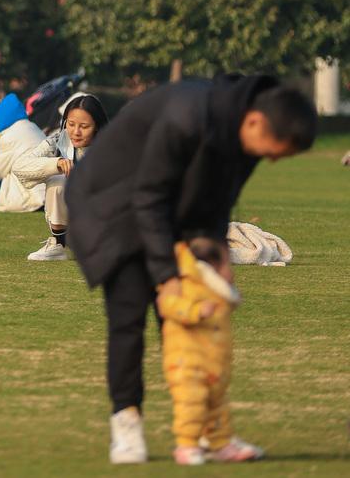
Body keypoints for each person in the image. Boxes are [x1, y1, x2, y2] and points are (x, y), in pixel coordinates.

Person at [66, 75, 317, 465]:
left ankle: (210, 433)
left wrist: (216, 257)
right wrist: (166, 278)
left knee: (194, 326)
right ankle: (127, 426)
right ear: (255, 123)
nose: (271, 159)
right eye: (274, 150)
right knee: (129, 317)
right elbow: (148, 197)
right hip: (110, 207)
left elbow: (219, 202)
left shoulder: (243, 136)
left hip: (166, 209)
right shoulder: (189, 116)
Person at [158, 237, 249, 466]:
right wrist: (195, 311)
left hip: (215, 362)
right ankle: (186, 445)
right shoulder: (184, 282)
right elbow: (167, 304)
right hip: (187, 362)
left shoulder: (219, 291)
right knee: (191, 405)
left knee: (218, 407)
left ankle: (221, 444)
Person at [28, 92, 109, 261]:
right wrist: (55, 164)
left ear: (97, 126)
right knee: (57, 179)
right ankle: (58, 243)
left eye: (84, 126)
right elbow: (20, 167)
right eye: (71, 124)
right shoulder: (57, 140)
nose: (76, 132)